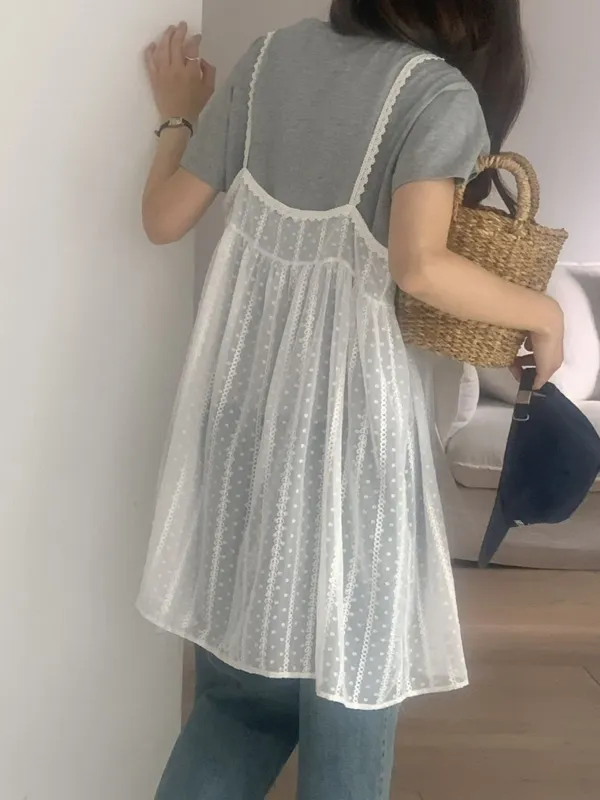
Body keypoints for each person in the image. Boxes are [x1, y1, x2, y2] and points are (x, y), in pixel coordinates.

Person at [138, 4, 564, 799]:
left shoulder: (267, 62)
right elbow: (419, 265)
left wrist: (178, 117)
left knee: (237, 706)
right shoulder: (435, 94)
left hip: (238, 429)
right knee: (349, 712)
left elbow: (163, 218)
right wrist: (544, 312)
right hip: (351, 456)